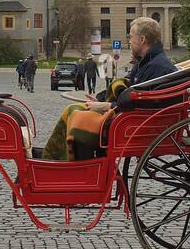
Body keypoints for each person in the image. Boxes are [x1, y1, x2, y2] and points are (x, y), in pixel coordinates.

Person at [41, 18, 175, 161]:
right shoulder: (149, 61)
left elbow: (142, 101)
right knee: (73, 109)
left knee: (79, 118)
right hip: (133, 118)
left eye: (130, 37)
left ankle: (79, 168)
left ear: (142, 40)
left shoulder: (156, 66)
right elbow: (132, 91)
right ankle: (58, 160)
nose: (129, 41)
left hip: (138, 124)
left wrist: (107, 106)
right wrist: (101, 99)